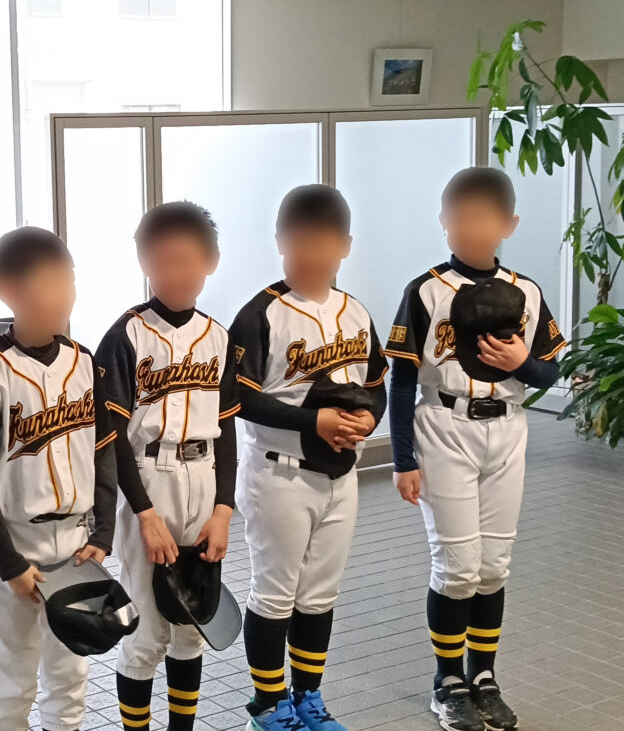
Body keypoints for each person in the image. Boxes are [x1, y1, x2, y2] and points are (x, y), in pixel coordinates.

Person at [385, 167, 565, 731]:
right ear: (443, 221)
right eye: (461, 217)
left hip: (508, 428)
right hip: (445, 425)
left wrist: (523, 364)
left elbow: (550, 369)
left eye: (484, 219)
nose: (471, 228)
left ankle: (484, 677)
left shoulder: (526, 290)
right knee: (458, 566)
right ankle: (448, 682)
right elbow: (402, 381)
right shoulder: (425, 290)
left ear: (509, 224)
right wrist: (403, 458)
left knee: (493, 565)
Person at [229, 185, 388, 731]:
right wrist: (312, 421)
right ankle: (268, 706)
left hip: (341, 475)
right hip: (279, 472)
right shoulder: (261, 313)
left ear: (345, 246)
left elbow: (376, 382)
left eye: (322, 243)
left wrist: (371, 418)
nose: (310, 254)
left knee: (319, 595)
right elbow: (239, 396)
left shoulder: (355, 311)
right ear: (279, 241)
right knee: (275, 594)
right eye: (298, 242)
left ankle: (308, 700)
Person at [0, 226, 118, 731]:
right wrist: (9, 563)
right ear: (9, 291)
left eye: (68, 280)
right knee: (13, 678)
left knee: (70, 676)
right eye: (49, 283)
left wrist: (103, 533)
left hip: (74, 544)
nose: (63, 294)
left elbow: (104, 451)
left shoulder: (84, 361)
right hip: (15, 542)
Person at [95, 201, 239, 731]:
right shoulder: (126, 336)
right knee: (147, 631)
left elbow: (227, 432)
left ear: (211, 261)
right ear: (144, 262)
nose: (175, 273)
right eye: (162, 261)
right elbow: (111, 436)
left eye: (186, 261)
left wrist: (223, 510)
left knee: (191, 622)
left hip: (204, 477)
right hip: (148, 476)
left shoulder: (219, 337)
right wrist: (145, 514)